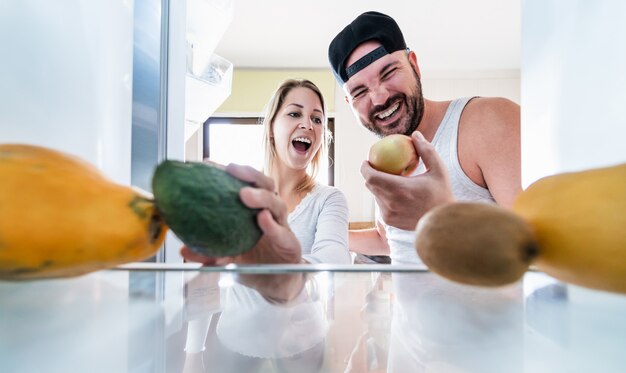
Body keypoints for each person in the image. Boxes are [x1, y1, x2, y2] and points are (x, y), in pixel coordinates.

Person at [328, 11, 521, 265]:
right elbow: (390, 241)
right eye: (360, 92)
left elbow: (537, 246)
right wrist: (321, 231)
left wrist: (442, 218)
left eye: (388, 73)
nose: (379, 98)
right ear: (348, 103)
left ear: (414, 65)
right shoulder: (384, 162)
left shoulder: (487, 120)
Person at [182, 78, 351, 276]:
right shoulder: (240, 193)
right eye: (295, 114)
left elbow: (335, 260)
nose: (307, 124)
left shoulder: (328, 199)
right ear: (271, 128)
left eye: (317, 119)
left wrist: (272, 259)